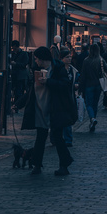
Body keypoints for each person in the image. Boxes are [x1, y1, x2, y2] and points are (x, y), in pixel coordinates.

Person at [21, 46, 77, 176]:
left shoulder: (58, 68)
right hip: (40, 109)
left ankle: (64, 164)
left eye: (36, 59)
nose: (35, 61)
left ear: (42, 59)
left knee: (57, 137)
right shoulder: (36, 70)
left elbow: (65, 85)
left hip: (55, 109)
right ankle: (37, 165)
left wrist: (48, 81)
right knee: (40, 137)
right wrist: (18, 105)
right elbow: (31, 92)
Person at [79, 43, 107, 132]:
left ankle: (92, 118)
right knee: (95, 104)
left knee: (89, 104)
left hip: (88, 85)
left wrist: (80, 88)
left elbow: (83, 75)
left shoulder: (86, 61)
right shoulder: (100, 60)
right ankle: (93, 120)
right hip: (98, 85)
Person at [59, 47, 78, 147]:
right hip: (61, 98)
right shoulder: (59, 70)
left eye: (70, 57)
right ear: (61, 58)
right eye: (67, 57)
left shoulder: (72, 70)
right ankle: (61, 138)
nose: (69, 59)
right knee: (62, 120)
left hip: (70, 97)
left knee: (68, 119)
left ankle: (68, 139)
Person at [10, 40, 30, 112]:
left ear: (17, 47)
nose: (13, 49)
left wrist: (15, 63)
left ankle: (16, 106)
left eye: (14, 48)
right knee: (14, 90)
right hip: (14, 75)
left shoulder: (24, 54)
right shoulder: (12, 54)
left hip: (20, 76)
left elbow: (24, 64)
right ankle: (15, 105)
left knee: (19, 91)